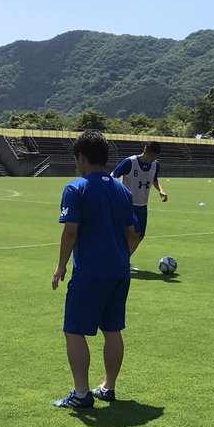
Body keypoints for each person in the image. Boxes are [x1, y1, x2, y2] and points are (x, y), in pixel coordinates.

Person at [51, 131, 137, 409]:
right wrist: (120, 256)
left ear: (82, 157)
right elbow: (133, 233)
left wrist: (61, 265)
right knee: (112, 329)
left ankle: (81, 393)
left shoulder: (76, 188)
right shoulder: (122, 190)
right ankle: (108, 387)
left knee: (74, 331)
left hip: (90, 271)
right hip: (120, 270)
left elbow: (70, 232)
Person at [112, 141, 169, 270]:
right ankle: (119, 261)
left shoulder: (155, 165)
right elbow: (113, 175)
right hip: (128, 204)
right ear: (146, 152)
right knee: (133, 234)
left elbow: (154, 179)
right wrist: (120, 186)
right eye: (153, 157)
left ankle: (123, 260)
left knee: (140, 236)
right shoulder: (130, 162)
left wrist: (161, 190)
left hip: (142, 205)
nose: (154, 160)